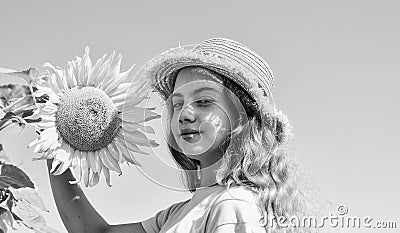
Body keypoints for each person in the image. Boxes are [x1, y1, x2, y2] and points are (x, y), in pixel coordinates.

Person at [48, 38, 311, 233]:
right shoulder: (182, 212)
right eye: (176, 104)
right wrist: (53, 147)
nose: (184, 113)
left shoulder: (231, 206)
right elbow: (95, 232)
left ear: (243, 118)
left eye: (204, 101)